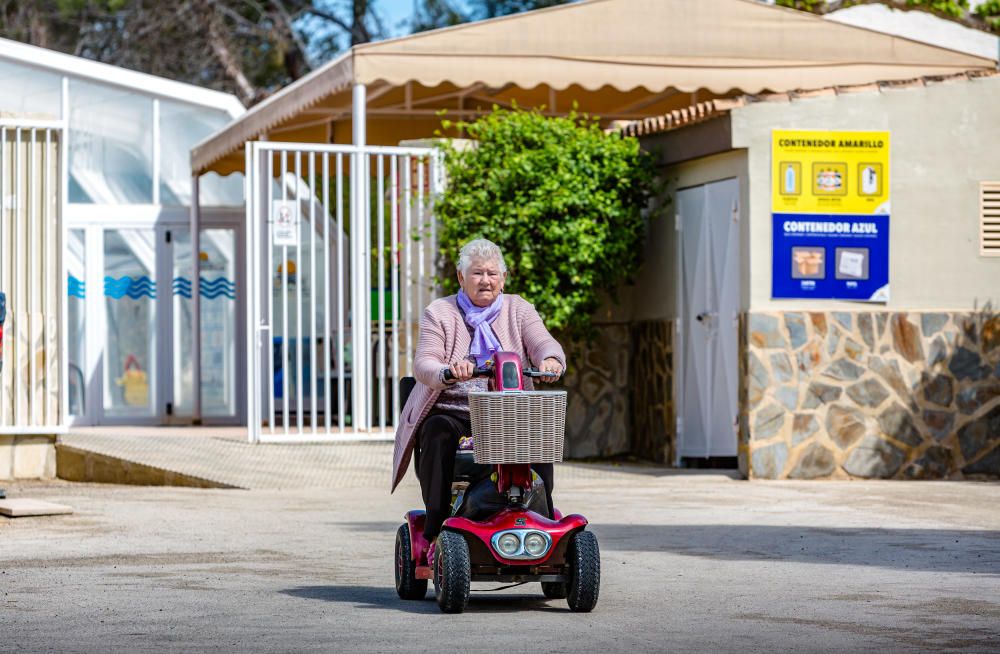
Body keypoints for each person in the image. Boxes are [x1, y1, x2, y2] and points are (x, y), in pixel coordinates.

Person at [390, 238, 566, 559]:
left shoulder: (519, 309)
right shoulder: (440, 312)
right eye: (477, 274)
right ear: (461, 277)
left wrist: (550, 360)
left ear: (503, 279)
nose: (485, 280)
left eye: (492, 274)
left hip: (508, 410)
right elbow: (424, 363)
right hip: (456, 409)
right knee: (437, 431)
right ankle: (435, 531)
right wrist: (447, 371)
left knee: (538, 433)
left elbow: (543, 342)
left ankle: (542, 514)